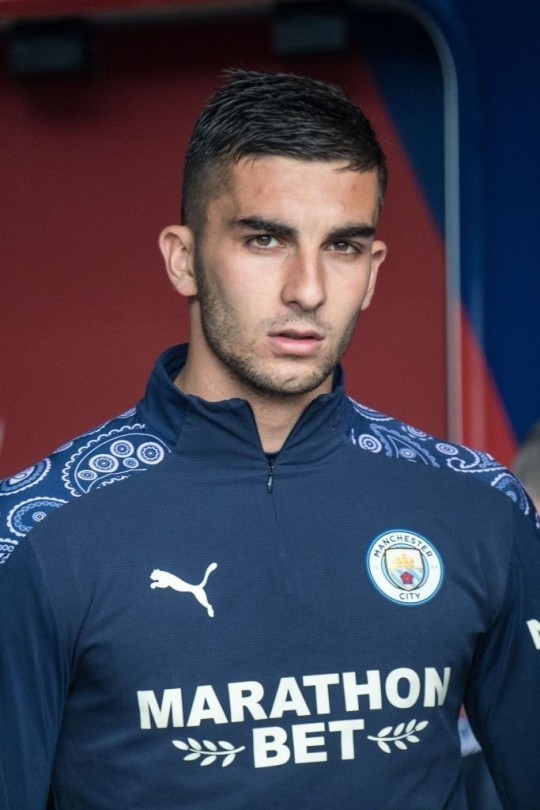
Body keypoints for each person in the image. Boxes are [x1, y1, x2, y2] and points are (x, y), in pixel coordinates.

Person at [0, 69, 539, 810]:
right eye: (265, 239)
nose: (307, 289)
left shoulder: (482, 508)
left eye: (343, 246)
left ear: (372, 271)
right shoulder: (36, 533)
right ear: (183, 258)